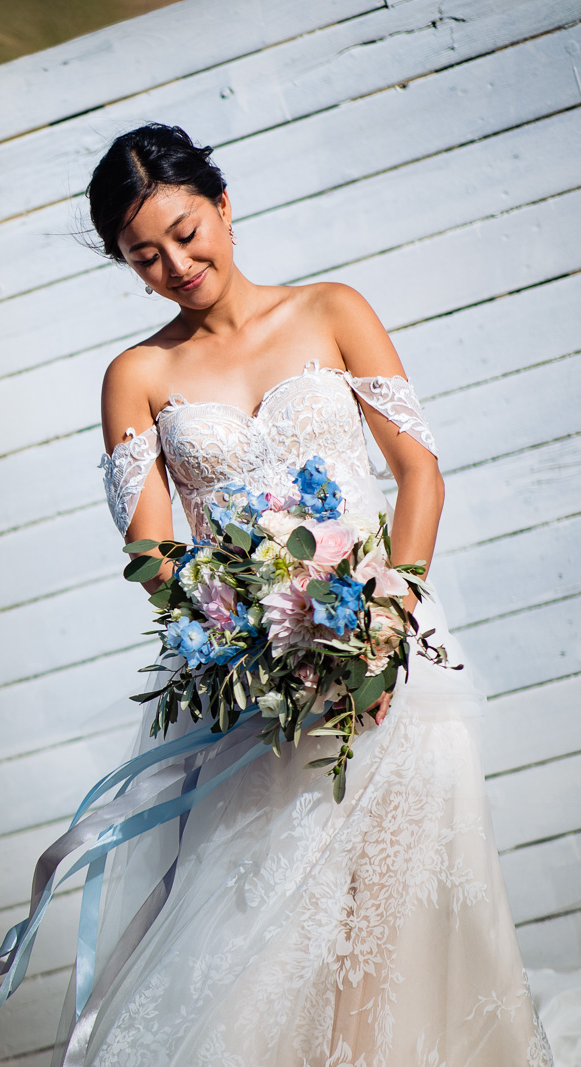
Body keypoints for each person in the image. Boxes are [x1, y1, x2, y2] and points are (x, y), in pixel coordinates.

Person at [58, 122, 554, 1064]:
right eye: (143, 257)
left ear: (224, 204)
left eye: (186, 231)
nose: (176, 264)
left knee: (398, 921)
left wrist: (387, 620)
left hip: (396, 653)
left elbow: (419, 474)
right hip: (256, 685)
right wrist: (249, 631)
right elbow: (154, 553)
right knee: (268, 921)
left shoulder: (332, 309)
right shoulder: (138, 376)